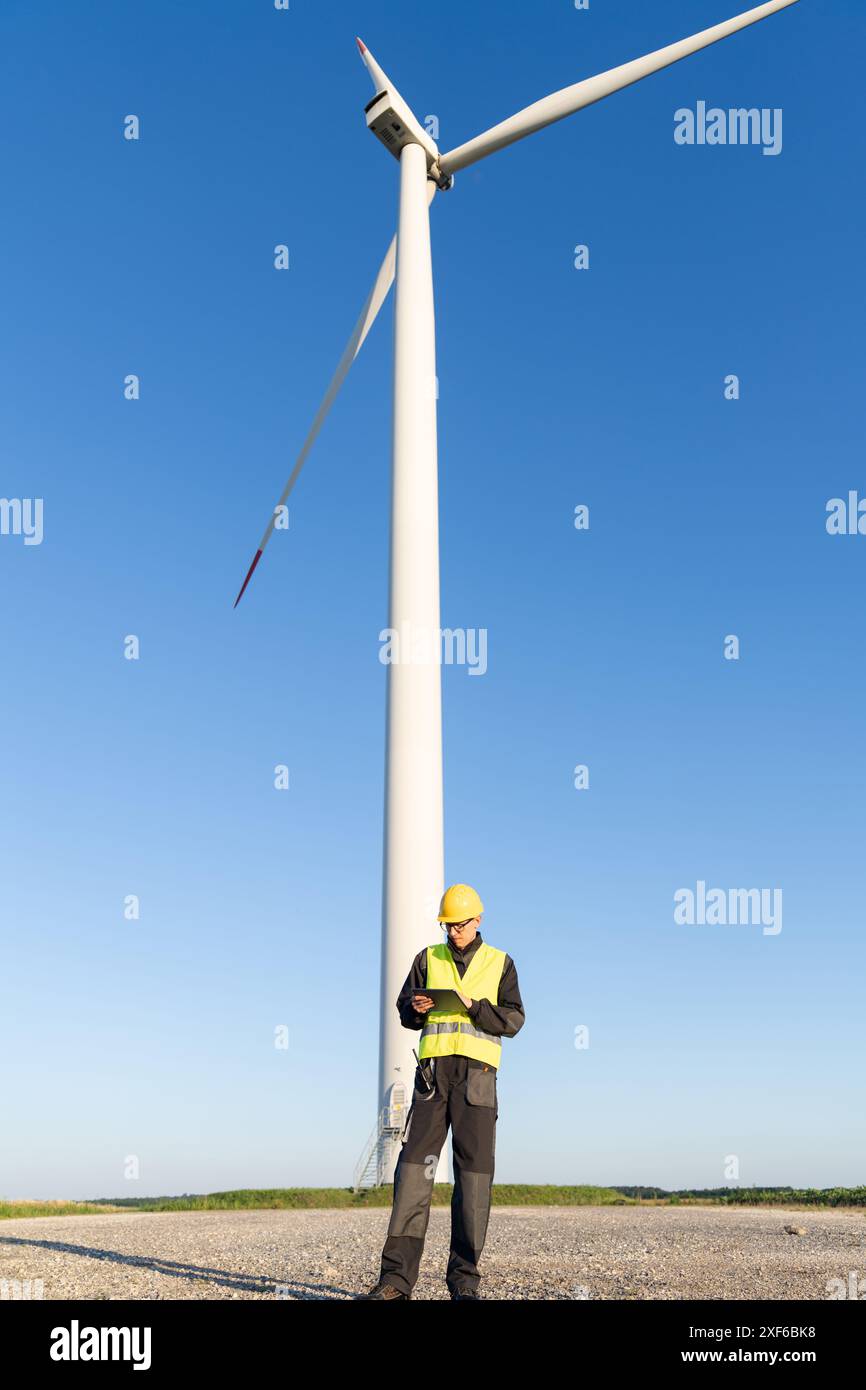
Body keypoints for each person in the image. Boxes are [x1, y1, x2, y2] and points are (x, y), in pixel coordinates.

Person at [360, 883, 525, 1300]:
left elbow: (514, 1020)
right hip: (432, 1080)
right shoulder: (426, 959)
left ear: (479, 920)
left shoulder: (500, 963)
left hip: (477, 1081)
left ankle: (464, 1283)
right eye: (448, 925)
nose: (453, 931)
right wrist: (413, 1008)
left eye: (461, 924)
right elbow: (404, 1009)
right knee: (413, 1174)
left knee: (473, 1182)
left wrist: (474, 1006)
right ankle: (396, 1281)